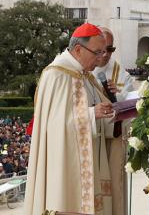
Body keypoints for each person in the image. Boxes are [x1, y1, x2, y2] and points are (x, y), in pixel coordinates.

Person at [24, 23, 114, 215]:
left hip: (90, 162)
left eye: (103, 52)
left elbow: (100, 113)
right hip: (65, 168)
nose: (100, 59)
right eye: (97, 52)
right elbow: (54, 126)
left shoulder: (87, 77)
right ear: (78, 49)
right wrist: (91, 114)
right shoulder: (56, 75)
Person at [93, 27, 135, 215]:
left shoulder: (121, 75)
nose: (105, 54)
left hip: (113, 141)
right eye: (102, 49)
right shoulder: (83, 68)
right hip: (92, 137)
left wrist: (116, 96)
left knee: (114, 187)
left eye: (110, 49)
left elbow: (130, 107)